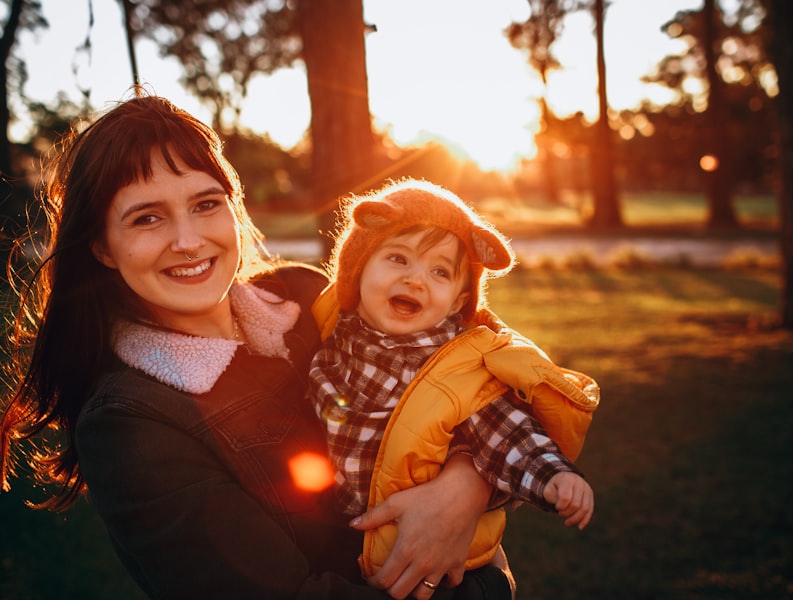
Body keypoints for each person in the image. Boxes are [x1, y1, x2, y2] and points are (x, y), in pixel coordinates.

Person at [0, 93, 514, 600]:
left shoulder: (307, 294)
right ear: (102, 248)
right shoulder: (129, 423)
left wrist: (466, 484)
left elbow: (476, 369)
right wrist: (488, 585)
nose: (188, 241)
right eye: (147, 218)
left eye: (205, 204)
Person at [308, 179, 599, 581]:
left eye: (440, 272)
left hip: (429, 550)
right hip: (345, 541)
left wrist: (554, 476)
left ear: (459, 302)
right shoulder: (333, 334)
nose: (415, 280)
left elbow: (507, 433)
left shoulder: (456, 367)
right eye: (397, 258)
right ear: (359, 268)